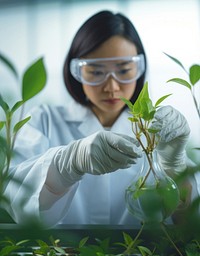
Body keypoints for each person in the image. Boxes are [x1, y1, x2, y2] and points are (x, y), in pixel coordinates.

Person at [3, 10, 195, 227]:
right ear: (76, 72)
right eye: (95, 72)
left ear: (138, 70)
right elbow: (16, 203)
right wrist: (66, 165)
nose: (112, 87)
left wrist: (175, 166)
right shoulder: (44, 120)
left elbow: (189, 222)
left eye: (124, 70)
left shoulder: (157, 129)